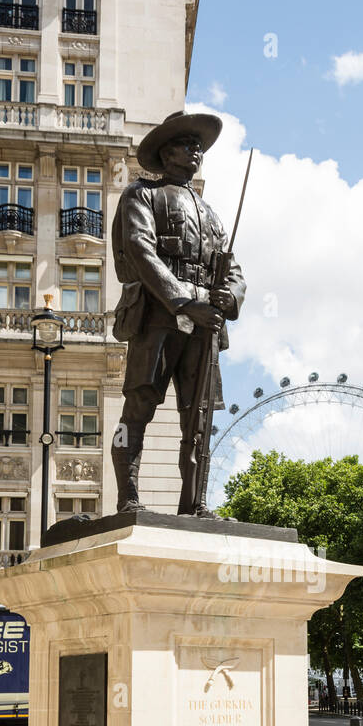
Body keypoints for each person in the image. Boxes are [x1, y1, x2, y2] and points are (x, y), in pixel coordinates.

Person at [110, 110, 246, 517]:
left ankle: (195, 504)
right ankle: (127, 497)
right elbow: (139, 250)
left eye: (199, 148)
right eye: (188, 145)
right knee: (138, 408)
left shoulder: (213, 216)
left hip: (205, 327)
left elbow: (234, 270)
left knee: (199, 415)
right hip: (157, 315)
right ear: (166, 153)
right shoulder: (142, 195)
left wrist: (228, 297)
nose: (196, 152)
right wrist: (187, 302)